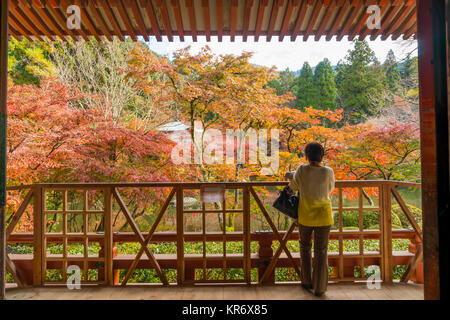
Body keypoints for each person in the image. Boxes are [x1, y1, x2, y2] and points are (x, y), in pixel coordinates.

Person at [286, 142, 335, 297]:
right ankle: (320, 288)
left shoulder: (301, 170)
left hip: (305, 216)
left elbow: (293, 186)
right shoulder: (328, 171)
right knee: (321, 251)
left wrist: (292, 176)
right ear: (322, 155)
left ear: (307, 155)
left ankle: (306, 281)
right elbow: (330, 189)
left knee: (305, 247)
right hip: (324, 215)